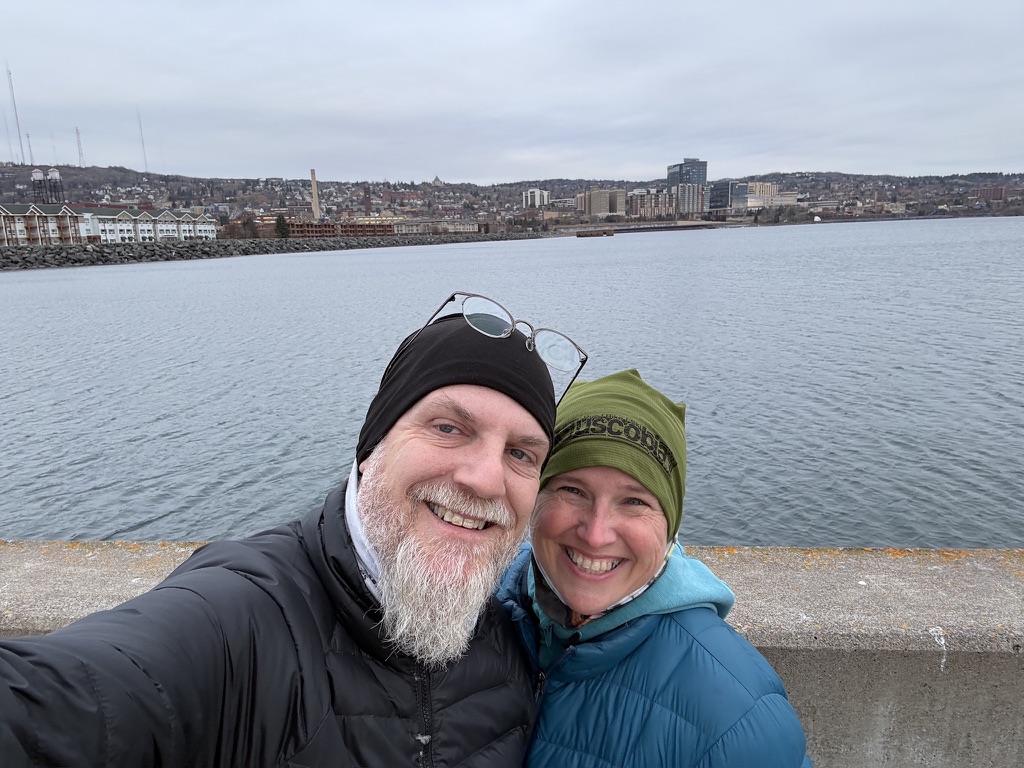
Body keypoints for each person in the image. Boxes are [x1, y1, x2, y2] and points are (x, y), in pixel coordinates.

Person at [0, 291, 588, 768]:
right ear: (372, 448)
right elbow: (73, 701)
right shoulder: (240, 621)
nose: (485, 479)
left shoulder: (511, 643)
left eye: (521, 453)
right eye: (448, 428)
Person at [499, 369, 813, 767]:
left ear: (670, 527)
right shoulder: (475, 608)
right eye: (572, 490)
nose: (596, 534)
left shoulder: (738, 720)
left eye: (634, 502)